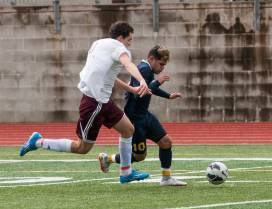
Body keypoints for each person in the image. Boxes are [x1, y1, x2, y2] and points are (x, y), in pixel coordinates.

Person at [19, 21, 151, 184]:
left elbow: (109, 75)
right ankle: (38, 142)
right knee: (82, 148)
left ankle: (126, 173)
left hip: (103, 102)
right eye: (129, 40)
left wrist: (131, 89)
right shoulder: (119, 48)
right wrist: (141, 80)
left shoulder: (98, 44)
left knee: (128, 129)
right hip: (94, 104)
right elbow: (128, 64)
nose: (130, 44)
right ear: (120, 38)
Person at [97, 45, 187, 186]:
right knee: (139, 156)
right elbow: (140, 93)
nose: (162, 68)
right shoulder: (144, 70)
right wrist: (157, 82)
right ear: (151, 58)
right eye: (161, 64)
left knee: (166, 142)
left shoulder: (147, 70)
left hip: (144, 115)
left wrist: (168, 95)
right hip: (135, 120)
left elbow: (149, 88)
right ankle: (108, 159)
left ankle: (166, 178)